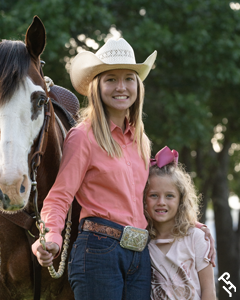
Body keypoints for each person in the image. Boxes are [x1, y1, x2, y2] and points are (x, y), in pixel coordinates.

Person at [32, 38, 215, 300]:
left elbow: (143, 200)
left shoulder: (140, 140)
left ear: (138, 86)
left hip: (139, 256)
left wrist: (187, 222)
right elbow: (60, 194)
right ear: (97, 86)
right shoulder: (83, 136)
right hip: (98, 252)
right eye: (111, 79)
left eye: (129, 78)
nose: (121, 87)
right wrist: (51, 235)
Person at [144, 146, 216, 300]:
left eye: (169, 196)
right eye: (154, 195)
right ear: (143, 199)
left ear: (181, 201)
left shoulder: (195, 238)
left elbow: (209, 291)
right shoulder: (143, 242)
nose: (161, 202)